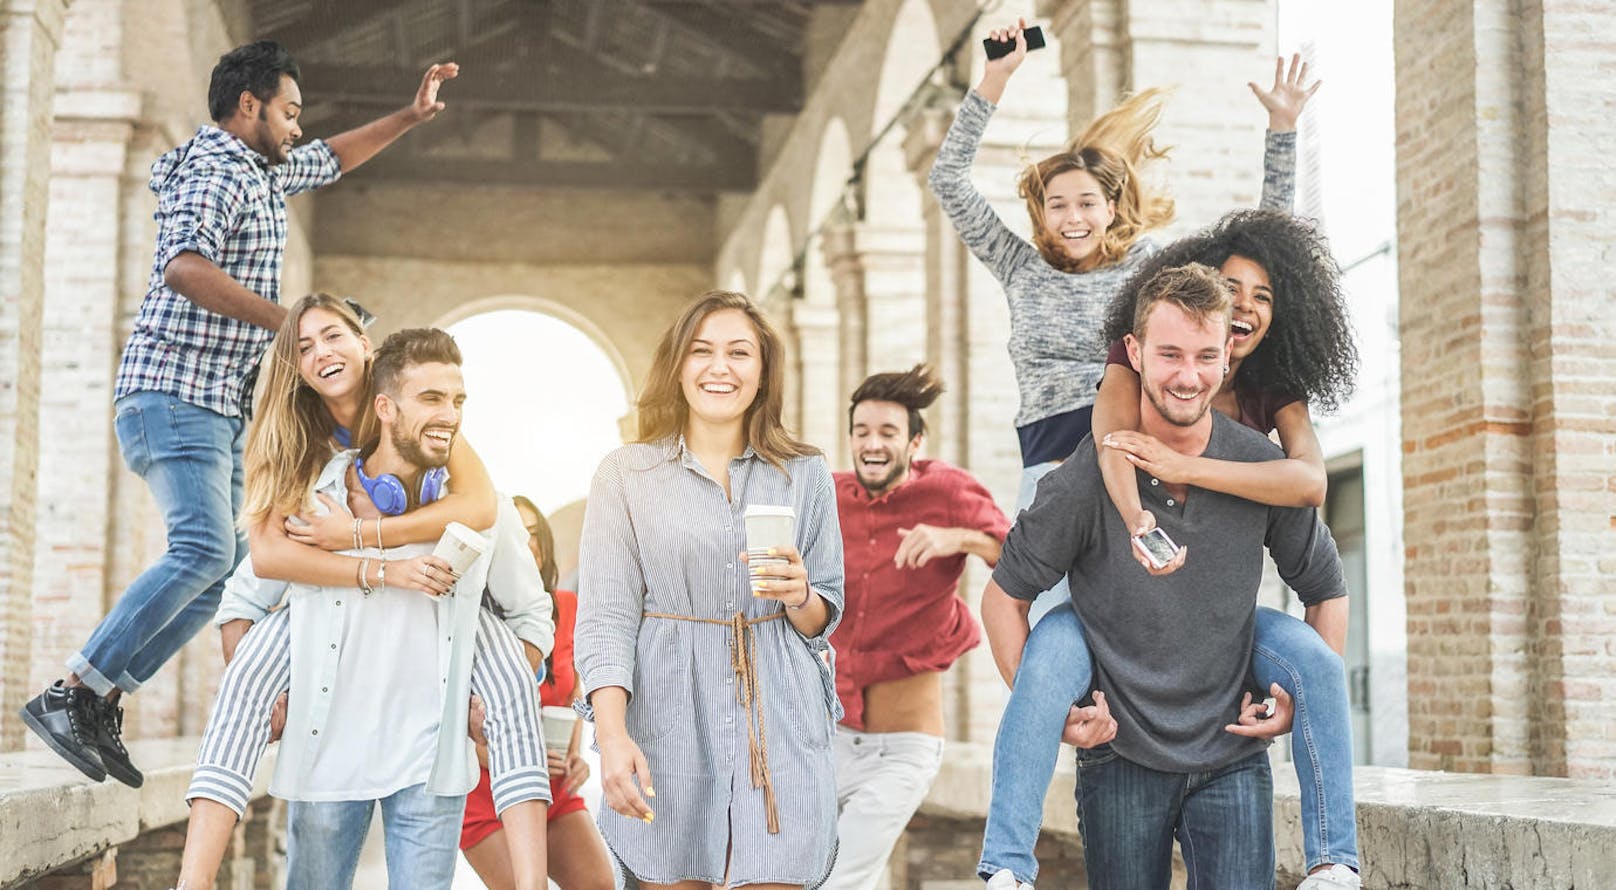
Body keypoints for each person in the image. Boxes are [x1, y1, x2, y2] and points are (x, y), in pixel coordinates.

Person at [19, 39, 462, 786]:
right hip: (175, 390)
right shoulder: (217, 170)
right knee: (200, 549)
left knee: (225, 564)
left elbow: (332, 157)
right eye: (289, 111)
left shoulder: (265, 169)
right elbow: (184, 265)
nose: (297, 127)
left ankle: (100, 695)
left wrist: (411, 117)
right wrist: (288, 323)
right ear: (249, 106)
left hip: (216, 405)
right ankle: (73, 691)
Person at [977, 211, 1362, 890]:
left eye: (1206, 357)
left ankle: (1335, 862)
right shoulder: (1093, 471)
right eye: (1170, 355)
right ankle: (1005, 870)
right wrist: (1062, 721)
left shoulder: (1259, 464)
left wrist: (1294, 705)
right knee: (1051, 649)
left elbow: (1327, 590)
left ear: (1228, 357)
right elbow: (1004, 596)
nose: (1188, 375)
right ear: (1135, 353)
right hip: (1121, 752)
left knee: (1312, 659)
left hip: (1231, 754)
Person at [926, 17, 1313, 621]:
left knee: (1155, 621)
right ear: (1042, 213)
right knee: (1049, 620)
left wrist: (1282, 131)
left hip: (1138, 460)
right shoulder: (1017, 265)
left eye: (1086, 203)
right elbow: (946, 181)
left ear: (1111, 208)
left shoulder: (1146, 270)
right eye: (1058, 205)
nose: (1072, 217)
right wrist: (994, 80)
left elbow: (1257, 248)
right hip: (1051, 469)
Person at [174, 318, 552, 890]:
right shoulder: (316, 498)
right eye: (430, 398)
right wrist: (266, 695)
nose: (448, 413)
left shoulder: (481, 506)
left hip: (431, 763)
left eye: (456, 399)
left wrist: (489, 701)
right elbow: (242, 600)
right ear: (385, 408)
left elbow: (530, 615)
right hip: (327, 756)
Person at [575, 290, 845, 889]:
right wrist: (613, 738)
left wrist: (800, 593)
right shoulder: (626, 475)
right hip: (668, 718)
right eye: (702, 350)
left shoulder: (806, 472)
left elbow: (825, 613)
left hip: (779, 717)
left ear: (763, 371)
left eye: (739, 352)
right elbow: (605, 620)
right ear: (677, 365)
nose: (720, 367)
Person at [823, 365, 1010, 890]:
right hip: (825, 739)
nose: (873, 444)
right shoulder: (825, 497)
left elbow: (1020, 559)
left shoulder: (948, 490)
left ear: (915, 441)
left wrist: (960, 539)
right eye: (862, 432)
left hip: (902, 749)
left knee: (841, 879)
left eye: (887, 433)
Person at [460, 497, 614, 890]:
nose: (523, 543)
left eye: (531, 533)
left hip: (552, 784)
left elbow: (571, 687)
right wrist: (501, 759)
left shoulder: (566, 606)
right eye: (513, 534)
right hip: (485, 789)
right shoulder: (469, 619)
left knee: (598, 883)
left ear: (544, 546)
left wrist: (575, 752)